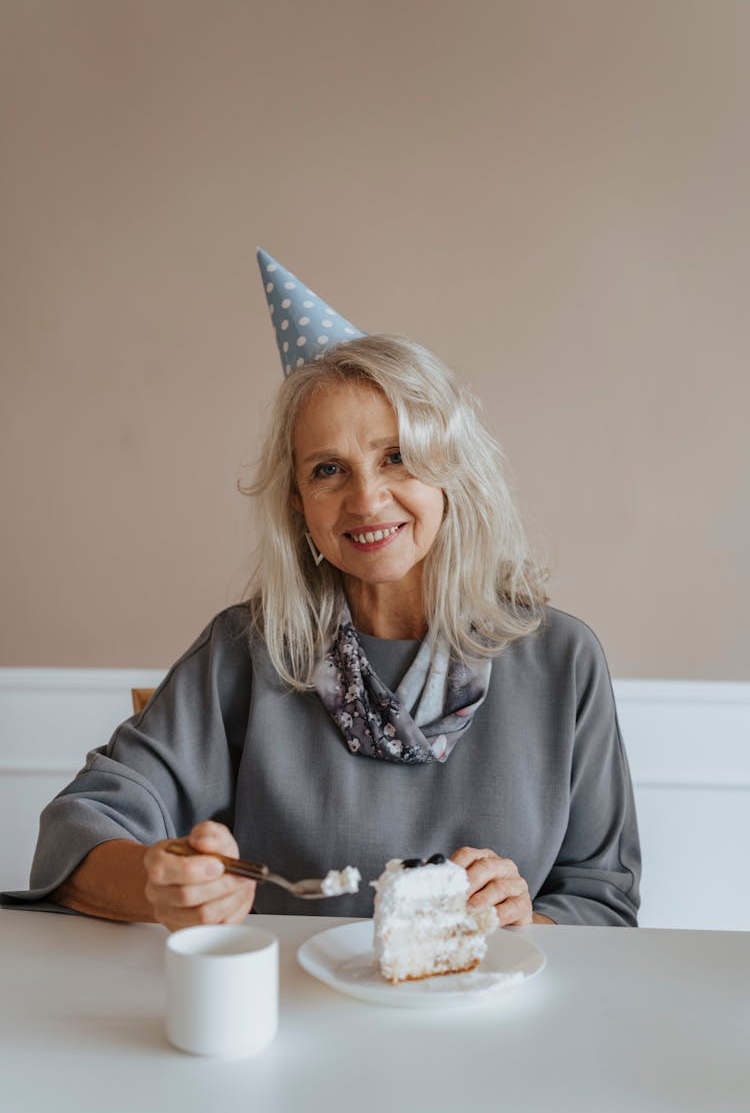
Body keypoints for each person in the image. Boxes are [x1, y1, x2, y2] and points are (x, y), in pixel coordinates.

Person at [3, 249, 640, 931]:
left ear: (450, 474)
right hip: (284, 1022)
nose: (366, 499)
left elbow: (601, 898)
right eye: (329, 469)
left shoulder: (563, 661)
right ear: (299, 504)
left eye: (396, 456)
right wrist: (160, 886)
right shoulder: (247, 652)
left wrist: (521, 925)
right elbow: (78, 828)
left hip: (485, 1028)